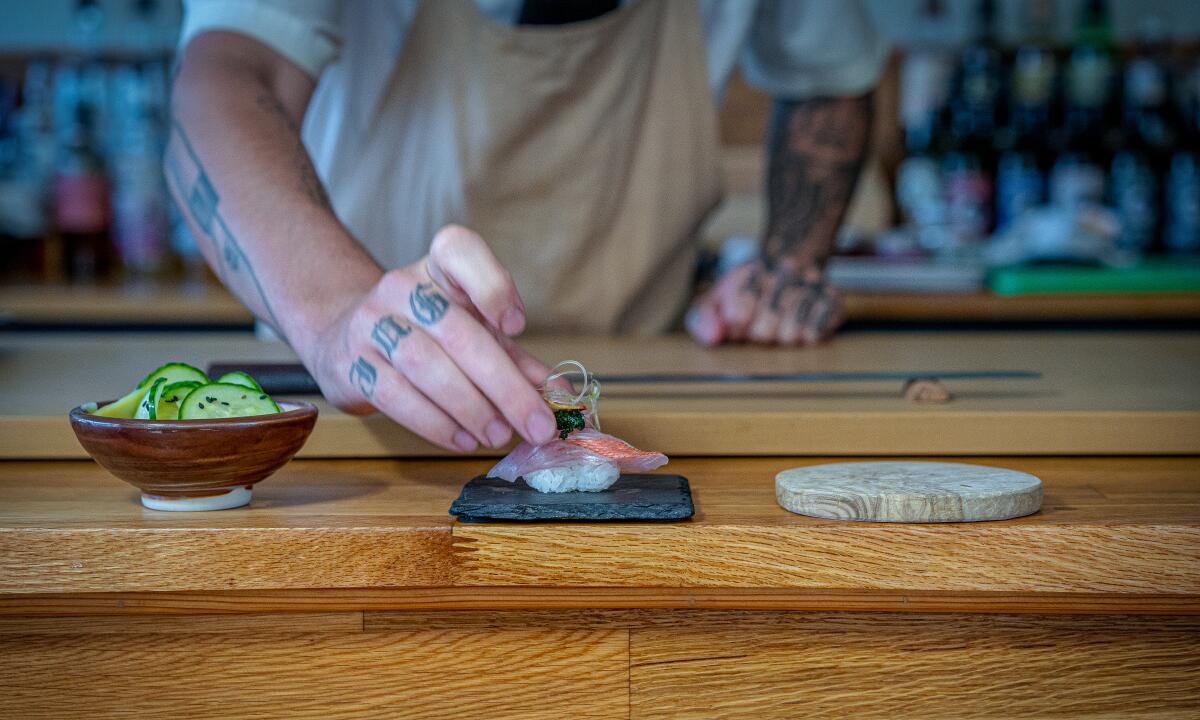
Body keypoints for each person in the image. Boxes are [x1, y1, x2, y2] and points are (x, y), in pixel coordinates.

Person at [168, 0, 884, 452]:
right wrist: (341, 313)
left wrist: (789, 260)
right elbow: (225, 79)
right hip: (360, 415)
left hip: (641, 385)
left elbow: (830, 75)